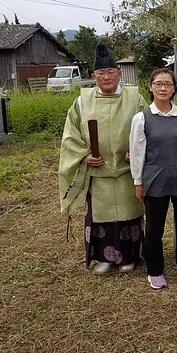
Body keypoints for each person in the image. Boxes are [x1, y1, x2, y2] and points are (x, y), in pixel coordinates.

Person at [59, 43, 146, 274]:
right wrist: (86, 155)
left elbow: (148, 128)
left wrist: (136, 152)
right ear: (93, 76)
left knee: (130, 215)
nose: (106, 77)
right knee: (101, 218)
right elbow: (70, 135)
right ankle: (104, 258)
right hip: (98, 173)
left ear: (119, 73)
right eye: (101, 73)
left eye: (110, 72)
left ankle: (129, 257)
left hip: (127, 170)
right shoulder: (81, 101)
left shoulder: (135, 98)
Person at [129, 68, 177, 290]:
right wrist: (138, 181)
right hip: (155, 180)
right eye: (158, 84)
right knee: (154, 228)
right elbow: (137, 151)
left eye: (167, 84)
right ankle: (155, 270)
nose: (163, 88)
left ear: (174, 88)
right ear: (150, 87)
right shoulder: (142, 118)